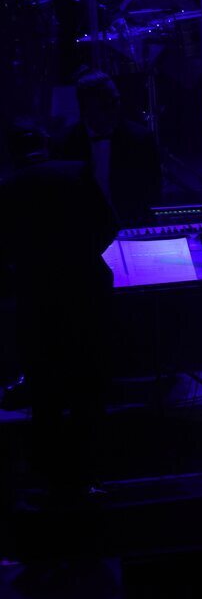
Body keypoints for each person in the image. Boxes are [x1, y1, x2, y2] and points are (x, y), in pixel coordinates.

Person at [0, 120, 117, 501]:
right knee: (89, 388)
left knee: (45, 393)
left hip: (38, 299)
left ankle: (53, 483)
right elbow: (109, 226)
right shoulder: (76, 172)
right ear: (45, 145)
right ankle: (89, 478)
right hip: (86, 292)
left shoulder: (8, 188)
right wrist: (81, 257)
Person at [54, 69, 160, 227]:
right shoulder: (65, 144)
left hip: (131, 227)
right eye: (105, 106)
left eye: (116, 101)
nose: (114, 110)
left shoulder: (140, 140)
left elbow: (152, 193)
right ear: (85, 108)